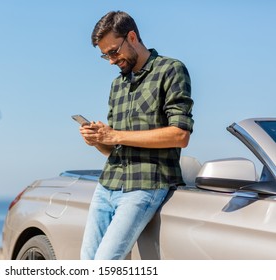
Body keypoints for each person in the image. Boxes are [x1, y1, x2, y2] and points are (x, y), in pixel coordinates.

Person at [78, 11, 194, 260]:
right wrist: (98, 141)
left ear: (132, 37)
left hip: (146, 185)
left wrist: (115, 135)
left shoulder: (171, 70)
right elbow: (115, 148)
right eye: (104, 55)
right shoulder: (117, 85)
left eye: (113, 52)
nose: (110, 60)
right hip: (107, 184)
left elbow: (180, 134)